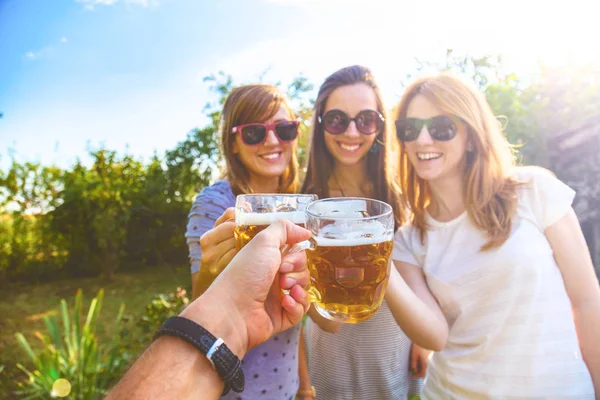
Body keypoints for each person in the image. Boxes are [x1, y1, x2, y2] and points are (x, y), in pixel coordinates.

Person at [386, 73, 600, 398]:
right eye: (409, 129)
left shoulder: (534, 191)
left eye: (441, 127)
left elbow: (586, 301)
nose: (422, 140)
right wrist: (379, 267)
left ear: (472, 136)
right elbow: (435, 336)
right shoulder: (409, 241)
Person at [301, 65, 424, 399]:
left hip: (391, 338)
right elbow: (323, 318)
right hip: (332, 345)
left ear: (380, 126)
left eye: (366, 119)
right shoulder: (306, 199)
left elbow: (420, 272)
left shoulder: (400, 193)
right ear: (321, 125)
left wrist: (420, 340)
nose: (352, 132)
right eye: (338, 120)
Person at [185, 84, 312, 399]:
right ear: (234, 143)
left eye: (284, 129)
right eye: (255, 132)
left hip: (286, 387)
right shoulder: (218, 202)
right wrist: (211, 272)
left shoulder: (298, 204)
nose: (272, 141)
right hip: (235, 389)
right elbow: (200, 304)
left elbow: (297, 308)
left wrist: (306, 387)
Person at [107, 220, 312, 400]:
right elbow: (201, 290)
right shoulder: (217, 204)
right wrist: (231, 311)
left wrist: (304, 386)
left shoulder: (299, 195)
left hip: (284, 382)